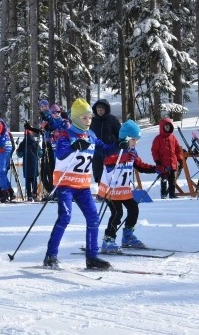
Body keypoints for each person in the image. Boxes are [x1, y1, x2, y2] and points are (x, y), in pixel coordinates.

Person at [43, 98, 114, 271]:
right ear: (75, 118)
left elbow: (104, 148)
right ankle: (50, 256)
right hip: (66, 184)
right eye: (84, 118)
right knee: (65, 217)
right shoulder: (66, 134)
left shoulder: (91, 135)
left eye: (90, 117)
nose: (88, 121)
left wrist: (120, 145)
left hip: (82, 186)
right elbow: (60, 154)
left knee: (93, 218)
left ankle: (92, 257)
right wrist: (75, 146)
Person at [98, 120, 156, 252]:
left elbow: (140, 166)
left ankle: (127, 236)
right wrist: (122, 158)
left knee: (133, 209)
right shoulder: (115, 148)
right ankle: (108, 239)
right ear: (125, 137)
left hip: (123, 190)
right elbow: (107, 160)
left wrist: (156, 169)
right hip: (110, 189)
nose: (135, 142)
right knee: (117, 213)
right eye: (133, 139)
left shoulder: (132, 152)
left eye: (137, 140)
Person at [151, 118, 185, 199]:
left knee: (172, 180)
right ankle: (163, 194)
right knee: (164, 179)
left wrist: (179, 159)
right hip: (163, 164)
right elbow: (154, 150)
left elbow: (177, 149)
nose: (167, 128)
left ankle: (172, 194)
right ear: (162, 127)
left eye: (169, 126)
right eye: (166, 126)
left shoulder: (173, 138)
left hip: (172, 163)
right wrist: (157, 161)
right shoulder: (158, 138)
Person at [90, 99, 121, 184]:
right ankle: (101, 190)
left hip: (111, 150)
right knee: (98, 172)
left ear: (106, 109)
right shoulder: (92, 121)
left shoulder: (112, 119)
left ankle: (112, 191)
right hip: (97, 151)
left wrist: (119, 144)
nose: (100, 112)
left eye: (101, 110)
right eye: (98, 110)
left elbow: (119, 133)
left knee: (111, 172)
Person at [16, 131, 40, 201]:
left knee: (28, 180)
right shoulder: (35, 143)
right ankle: (35, 194)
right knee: (34, 179)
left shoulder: (23, 143)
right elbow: (40, 153)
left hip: (26, 163)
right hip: (34, 162)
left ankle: (29, 195)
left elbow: (19, 155)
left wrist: (17, 151)